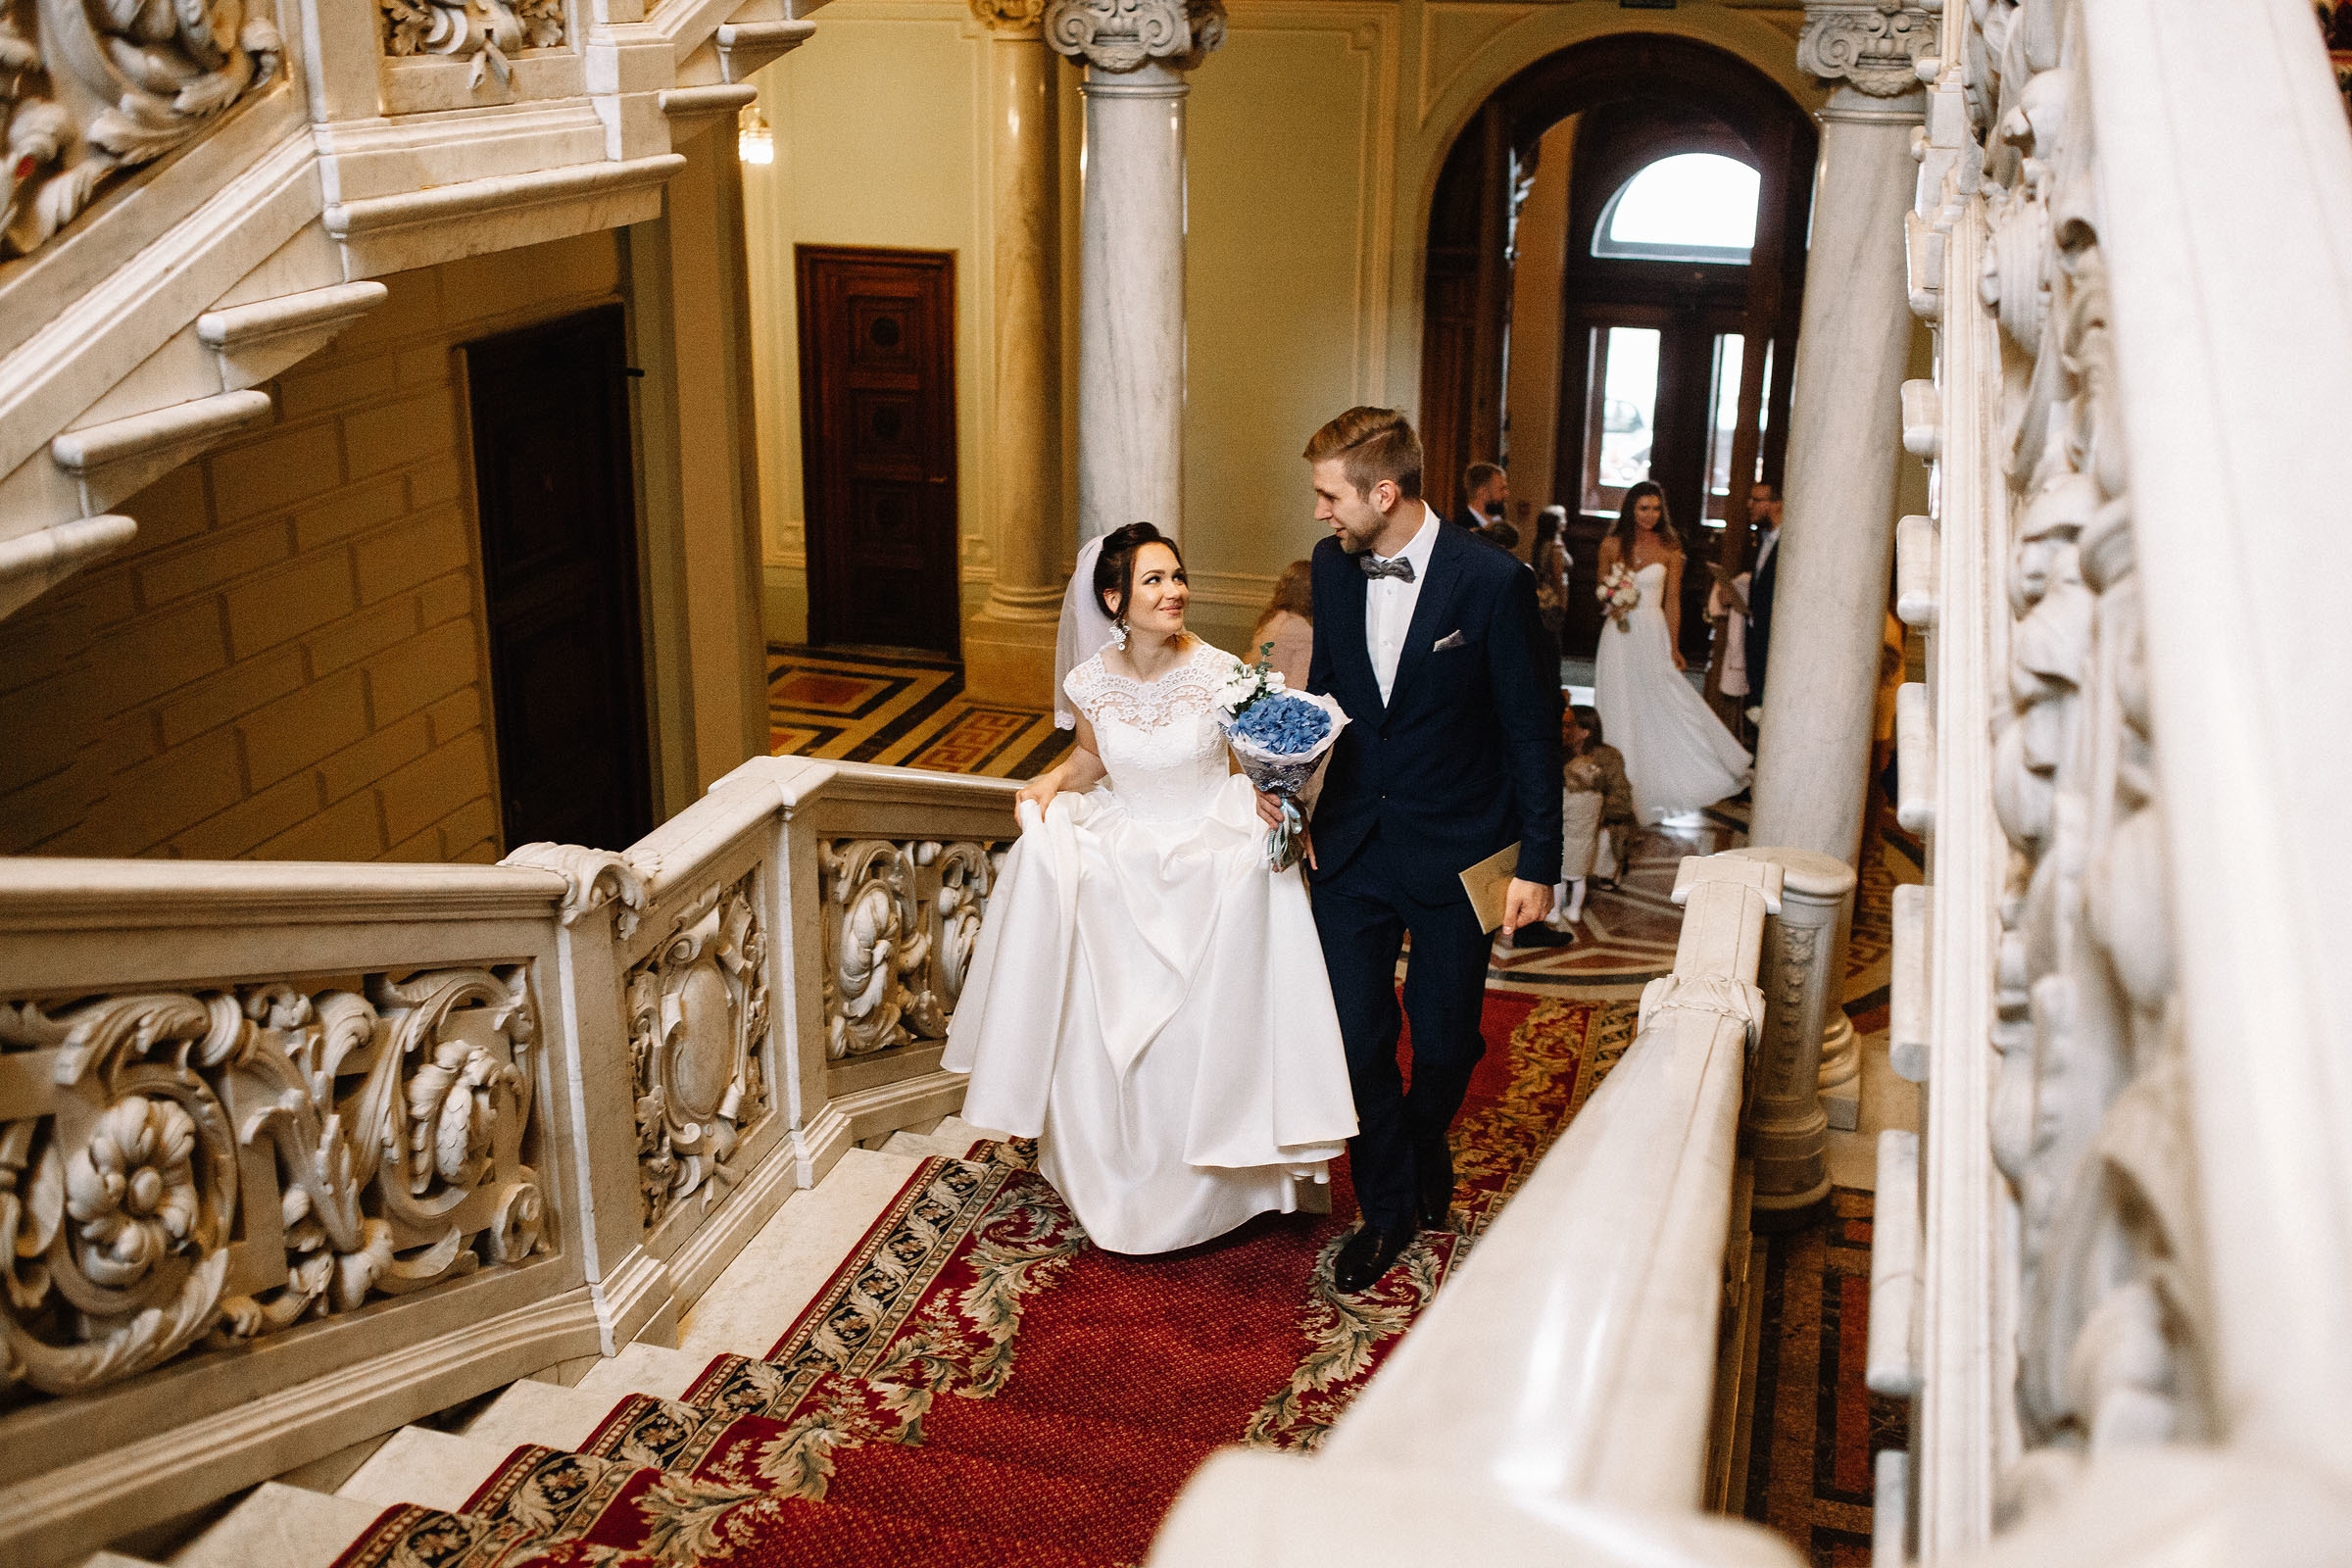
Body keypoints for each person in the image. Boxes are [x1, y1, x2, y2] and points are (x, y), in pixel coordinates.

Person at [943, 523, 1358, 1253]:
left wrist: (1276, 796)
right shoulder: (1089, 680)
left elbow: (1256, 758)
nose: (1175, 592)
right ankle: (1115, 1181)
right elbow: (1090, 758)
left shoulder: (1222, 670)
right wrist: (1048, 781)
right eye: (1155, 580)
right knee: (1107, 1026)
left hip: (1209, 854)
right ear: (1115, 599)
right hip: (1124, 858)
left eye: (1178, 576)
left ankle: (1217, 1188)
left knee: (1197, 1030)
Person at [1298, 407, 1566, 1297]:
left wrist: (1538, 864)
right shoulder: (1330, 569)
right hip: (1352, 847)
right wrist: (1284, 776)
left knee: (1447, 1045)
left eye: (1330, 496)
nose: (1320, 513)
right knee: (1356, 1040)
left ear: (1384, 493)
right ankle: (1386, 1207)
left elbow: (1531, 731)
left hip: (1462, 849)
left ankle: (1419, 1140)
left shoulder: (1492, 582)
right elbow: (1328, 695)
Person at [1592, 481, 1751, 823]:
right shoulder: (1610, 544)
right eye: (1643, 508)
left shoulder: (1670, 547)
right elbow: (1601, 587)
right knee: (1618, 699)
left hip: (1652, 630)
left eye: (1655, 508)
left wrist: (1674, 646)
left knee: (1663, 696)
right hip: (1618, 633)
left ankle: (1689, 769)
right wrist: (1611, 599)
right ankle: (1620, 782)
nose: (1650, 515)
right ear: (1630, 509)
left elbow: (1673, 601)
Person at [1552, 704, 1636, 924]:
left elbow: (1623, 801)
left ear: (1585, 731)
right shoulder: (1557, 751)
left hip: (1593, 823)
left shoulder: (1608, 757)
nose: (1563, 730)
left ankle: (1607, 870)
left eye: (1569, 725)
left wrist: (1592, 812)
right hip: (1565, 821)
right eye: (1562, 724)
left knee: (1578, 858)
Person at [1742, 482, 1783, 708]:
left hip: (1775, 637)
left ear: (1777, 504)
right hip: (1757, 634)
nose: (1750, 505)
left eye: (1757, 500)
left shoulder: (1788, 543)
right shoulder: (1763, 537)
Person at [1249, 560, 1315, 691]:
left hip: (1257, 694)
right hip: (1281, 698)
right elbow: (1298, 686)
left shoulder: (1272, 619)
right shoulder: (1303, 632)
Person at [1530, 505, 1572, 648]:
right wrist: (1561, 601)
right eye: (1563, 518)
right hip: (1553, 596)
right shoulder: (1556, 547)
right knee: (1553, 637)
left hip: (1541, 594)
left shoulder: (1540, 543)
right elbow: (1557, 576)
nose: (1565, 521)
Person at [1449, 461, 1506, 532]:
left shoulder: (1502, 527)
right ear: (1483, 493)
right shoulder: (1460, 530)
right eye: (1501, 489)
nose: (1506, 494)